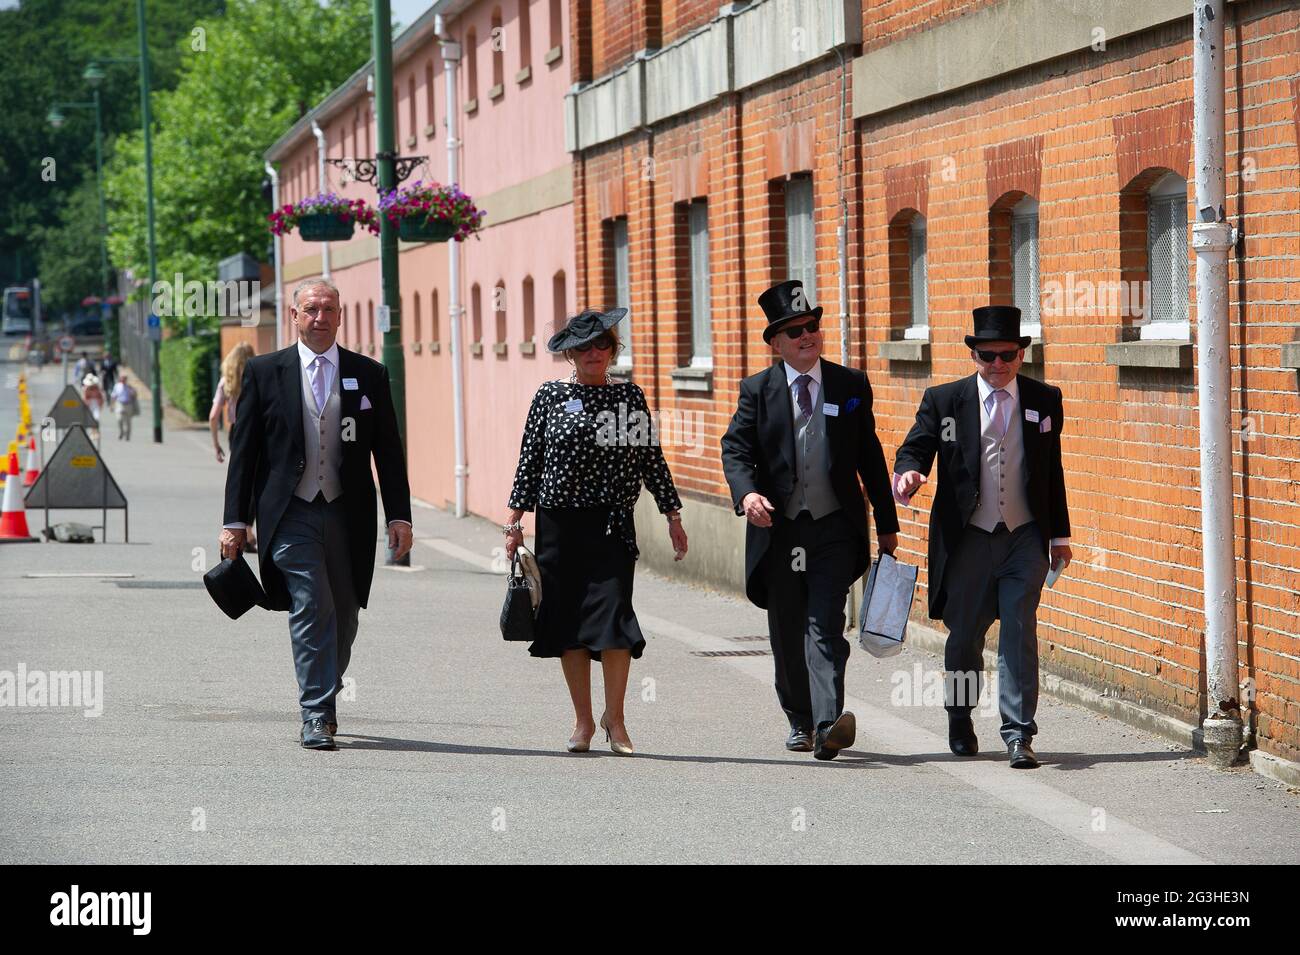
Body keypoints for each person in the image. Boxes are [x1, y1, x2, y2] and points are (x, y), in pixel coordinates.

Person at [219, 279, 413, 751]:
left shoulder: (368, 374)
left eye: (329, 309)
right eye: (311, 309)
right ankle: (317, 713)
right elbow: (244, 453)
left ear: (341, 316)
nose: (320, 317)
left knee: (344, 614)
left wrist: (399, 516)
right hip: (291, 512)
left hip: (349, 511)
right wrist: (234, 521)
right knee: (312, 603)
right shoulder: (265, 372)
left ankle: (324, 684)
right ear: (294, 315)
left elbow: (387, 450)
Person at [721, 280, 899, 761]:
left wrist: (887, 525)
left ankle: (827, 724)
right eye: (794, 330)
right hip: (779, 531)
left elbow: (870, 455)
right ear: (775, 343)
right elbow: (735, 449)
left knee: (825, 625)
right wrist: (748, 494)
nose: (807, 336)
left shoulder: (850, 385)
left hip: (833, 529)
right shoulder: (757, 391)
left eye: (812, 327)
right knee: (787, 628)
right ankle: (799, 718)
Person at [892, 305, 1072, 770]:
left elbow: (1052, 472)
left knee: (1018, 629)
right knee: (965, 637)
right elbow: (917, 445)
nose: (998, 365)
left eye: (1007, 355)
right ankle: (959, 714)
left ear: (1020, 354)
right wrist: (909, 472)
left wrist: (1060, 537)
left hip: (1024, 537)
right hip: (968, 537)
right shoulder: (945, 400)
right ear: (974, 355)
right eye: (988, 355)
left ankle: (1018, 734)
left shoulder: (1043, 400)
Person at [505, 307, 688, 756]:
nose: (593, 353)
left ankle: (617, 719)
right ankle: (583, 721)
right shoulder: (549, 397)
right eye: (584, 346)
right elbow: (531, 461)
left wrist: (673, 516)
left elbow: (651, 459)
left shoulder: (628, 400)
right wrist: (513, 521)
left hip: (611, 526)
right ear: (570, 353)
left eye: (601, 344)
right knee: (567, 622)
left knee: (614, 619)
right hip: (559, 527)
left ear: (613, 349)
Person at [211, 343, 258, 551]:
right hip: (257, 430)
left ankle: (244, 530)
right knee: (257, 480)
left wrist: (216, 445)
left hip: (235, 432)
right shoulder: (256, 378)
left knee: (241, 478)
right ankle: (248, 529)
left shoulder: (226, 381)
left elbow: (213, 416)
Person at [110, 374, 139, 441]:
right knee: (119, 419)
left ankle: (127, 436)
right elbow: (114, 396)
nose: (123, 380)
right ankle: (121, 431)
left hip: (128, 404)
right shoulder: (117, 386)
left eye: (124, 378)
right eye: (122, 378)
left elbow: (134, 395)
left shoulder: (129, 387)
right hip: (120, 404)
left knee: (128, 422)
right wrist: (112, 405)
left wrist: (132, 391)